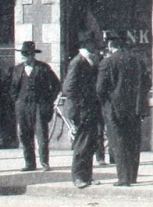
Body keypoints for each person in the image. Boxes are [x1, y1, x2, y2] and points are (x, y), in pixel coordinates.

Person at [97, 32, 150, 186]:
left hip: (115, 108)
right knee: (133, 142)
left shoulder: (107, 62)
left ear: (110, 45)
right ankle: (133, 176)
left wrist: (107, 102)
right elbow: (147, 82)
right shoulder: (137, 60)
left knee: (119, 142)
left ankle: (123, 178)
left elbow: (100, 88)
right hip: (135, 107)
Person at [11, 40, 60, 171]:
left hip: (39, 105)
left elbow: (56, 85)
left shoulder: (43, 68)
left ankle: (44, 162)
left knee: (42, 135)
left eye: (27, 54)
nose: (25, 57)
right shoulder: (17, 69)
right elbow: (12, 88)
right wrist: (17, 101)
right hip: (23, 106)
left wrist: (49, 100)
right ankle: (29, 163)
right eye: (23, 54)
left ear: (33, 55)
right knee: (25, 135)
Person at [62, 34, 102, 188]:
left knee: (90, 143)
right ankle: (78, 177)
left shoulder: (89, 61)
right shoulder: (77, 62)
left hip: (89, 109)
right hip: (81, 110)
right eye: (93, 44)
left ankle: (87, 176)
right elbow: (68, 88)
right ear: (86, 45)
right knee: (81, 143)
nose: (96, 47)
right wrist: (80, 105)